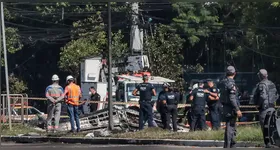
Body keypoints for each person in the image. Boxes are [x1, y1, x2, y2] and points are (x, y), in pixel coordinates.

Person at [253, 69, 279, 148]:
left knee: (265, 126)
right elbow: (276, 95)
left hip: (264, 109)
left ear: (260, 76)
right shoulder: (272, 84)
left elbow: (263, 96)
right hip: (272, 108)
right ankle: (273, 142)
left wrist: (258, 104)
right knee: (272, 126)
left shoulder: (261, 84)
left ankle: (267, 144)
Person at [219, 66, 242, 148]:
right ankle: (228, 146)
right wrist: (237, 109)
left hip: (225, 107)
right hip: (231, 108)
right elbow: (232, 98)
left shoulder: (223, 82)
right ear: (234, 73)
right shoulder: (231, 83)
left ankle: (231, 144)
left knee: (230, 126)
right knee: (230, 127)